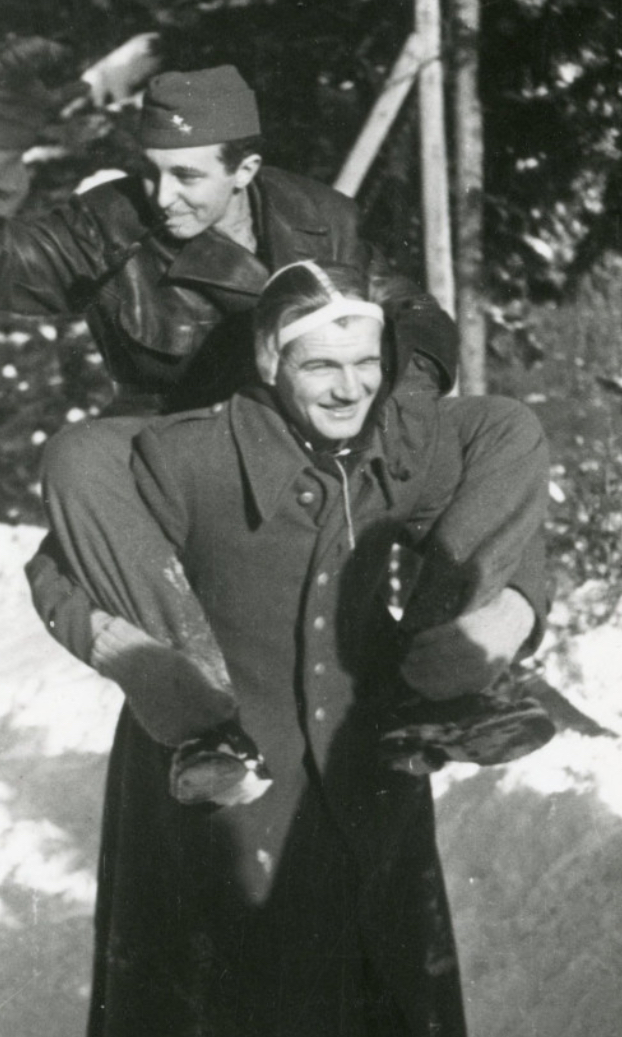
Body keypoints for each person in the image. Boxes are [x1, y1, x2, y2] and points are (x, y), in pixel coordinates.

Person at [0, 43, 548, 800]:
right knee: (80, 458)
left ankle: (433, 683)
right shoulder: (110, 224)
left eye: (188, 175)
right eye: (152, 169)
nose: (161, 195)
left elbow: (409, 307)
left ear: (245, 171)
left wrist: (407, 395)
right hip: (190, 450)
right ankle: (205, 714)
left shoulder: (318, 217)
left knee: (501, 432)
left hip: (323, 427)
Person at [85, 261, 549, 1037]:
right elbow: (62, 568)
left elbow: (505, 495)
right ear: (269, 361)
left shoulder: (398, 450)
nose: (349, 389)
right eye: (322, 366)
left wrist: (512, 607)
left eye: (366, 365)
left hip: (363, 766)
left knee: (383, 990)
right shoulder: (189, 455)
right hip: (226, 772)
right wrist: (128, 654)